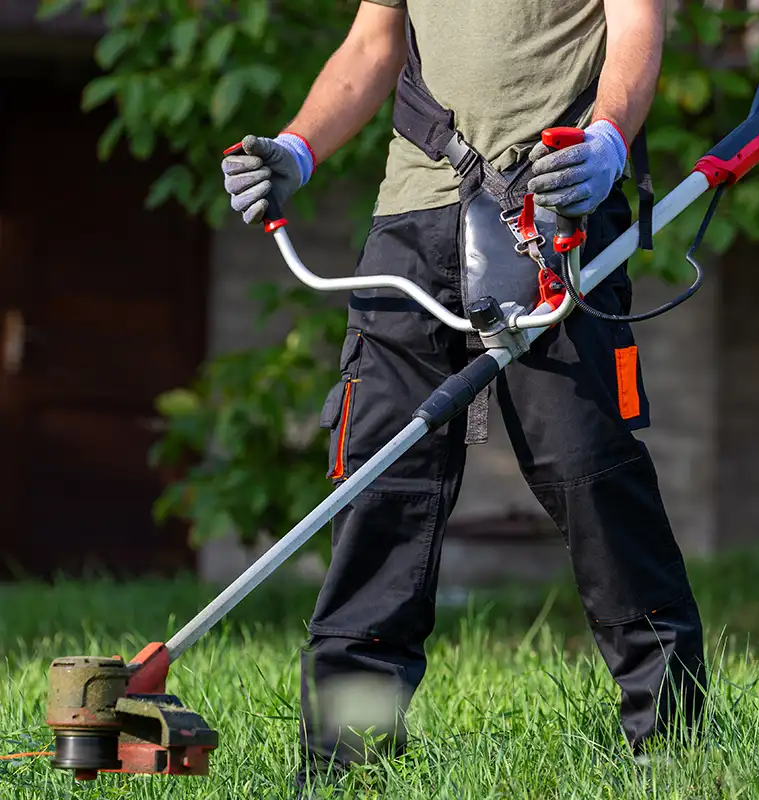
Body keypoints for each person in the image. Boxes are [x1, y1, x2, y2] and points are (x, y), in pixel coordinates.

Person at [221, 0, 706, 792]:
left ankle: (672, 745)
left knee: (589, 473)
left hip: (553, 206)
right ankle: (347, 761)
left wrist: (609, 143)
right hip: (413, 218)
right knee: (381, 481)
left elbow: (637, 28)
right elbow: (372, 43)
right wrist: (296, 151)